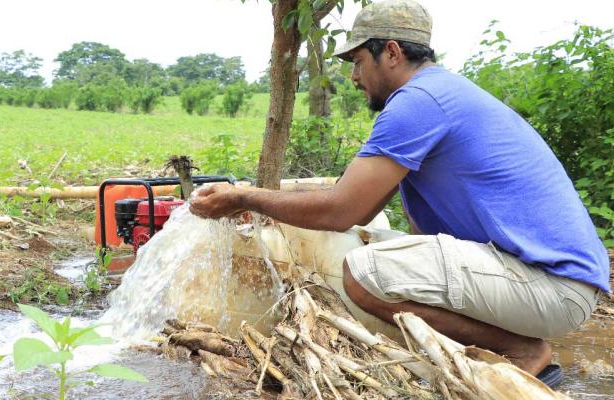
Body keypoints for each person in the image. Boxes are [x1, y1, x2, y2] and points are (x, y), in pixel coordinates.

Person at [190, 0, 609, 386]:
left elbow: (340, 210)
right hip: (547, 281)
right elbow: (361, 209)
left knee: (363, 273)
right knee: (381, 250)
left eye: (356, 61)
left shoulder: (417, 102)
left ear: (391, 52)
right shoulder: (441, 92)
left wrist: (244, 196)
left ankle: (521, 350)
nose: (353, 77)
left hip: (551, 286)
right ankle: (482, 351)